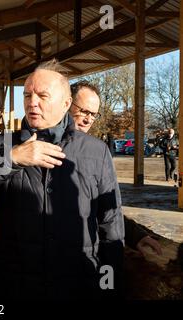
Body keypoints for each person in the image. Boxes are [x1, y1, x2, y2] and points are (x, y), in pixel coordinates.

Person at [0, 60, 125, 299]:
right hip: (15, 284)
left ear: (66, 104)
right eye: (27, 95)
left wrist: (110, 287)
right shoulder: (1, 144)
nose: (31, 102)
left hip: (75, 284)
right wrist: (12, 159)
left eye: (42, 95)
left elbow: (110, 221)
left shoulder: (96, 151)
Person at [70, 80, 162, 257]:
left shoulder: (98, 153)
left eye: (93, 114)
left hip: (82, 262)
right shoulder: (36, 149)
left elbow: (106, 210)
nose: (88, 119)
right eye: (84, 111)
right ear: (66, 103)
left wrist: (135, 236)